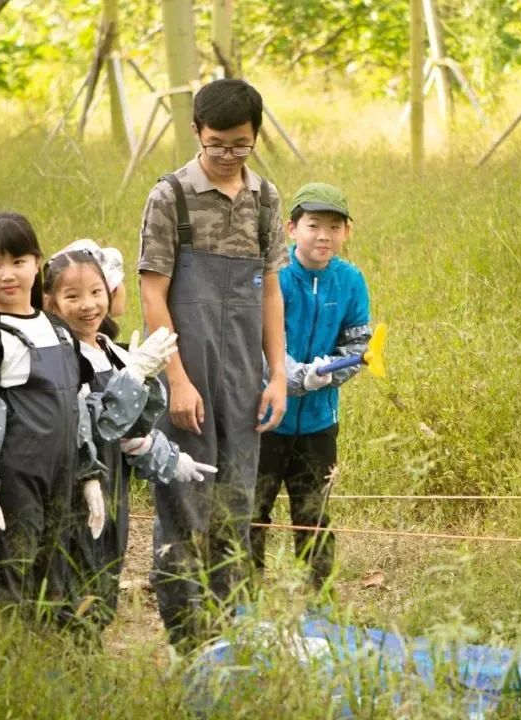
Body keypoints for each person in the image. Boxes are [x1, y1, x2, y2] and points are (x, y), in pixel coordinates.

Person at [137, 78, 289, 645]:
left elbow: (271, 291)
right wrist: (176, 380)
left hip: (244, 378)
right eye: (217, 143)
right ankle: (185, 639)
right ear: (197, 132)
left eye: (241, 144)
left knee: (235, 506)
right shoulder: (170, 197)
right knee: (184, 505)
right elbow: (154, 295)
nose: (228, 155)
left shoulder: (267, 199)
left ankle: (228, 635)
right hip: (188, 369)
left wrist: (277, 376)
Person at [42, 242, 211, 628]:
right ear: (52, 304)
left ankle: (90, 655)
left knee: (106, 572)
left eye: (96, 293)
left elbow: (131, 433)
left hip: (114, 484)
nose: (88, 305)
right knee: (72, 580)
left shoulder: (111, 351)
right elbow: (97, 423)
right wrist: (133, 377)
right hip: (75, 483)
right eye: (73, 296)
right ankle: (69, 661)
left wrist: (171, 459)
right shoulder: (60, 356)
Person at [0, 212, 109, 626]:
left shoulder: (57, 330)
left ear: (36, 262)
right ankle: (3, 676)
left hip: (61, 478)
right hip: (13, 484)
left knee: (56, 577)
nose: (8, 275)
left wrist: (89, 473)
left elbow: (77, 407)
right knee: (9, 583)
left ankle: (47, 673)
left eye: (18, 261)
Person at [250, 182, 371, 591]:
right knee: (253, 510)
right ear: (291, 228)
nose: (323, 236)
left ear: (346, 232)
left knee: (314, 513)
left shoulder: (350, 281)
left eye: (334, 227)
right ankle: (245, 596)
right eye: (313, 225)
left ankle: (319, 600)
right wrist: (299, 376)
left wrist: (330, 372)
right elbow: (259, 343)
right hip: (266, 418)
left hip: (320, 422)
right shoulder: (275, 277)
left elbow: (358, 344)